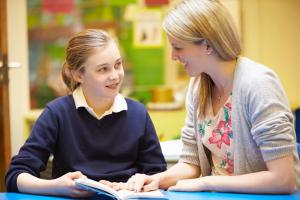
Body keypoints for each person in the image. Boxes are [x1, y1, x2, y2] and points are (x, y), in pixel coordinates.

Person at [113, 0, 300, 194]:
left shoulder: (258, 84)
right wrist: (155, 180)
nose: (173, 57)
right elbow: (191, 163)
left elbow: (284, 179)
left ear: (207, 45)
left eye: (178, 47)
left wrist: (206, 182)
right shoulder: (198, 87)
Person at [5, 29, 166, 198]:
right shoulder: (57, 113)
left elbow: (158, 175)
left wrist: (145, 180)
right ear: (78, 75)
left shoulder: (138, 113)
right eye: (103, 69)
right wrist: (55, 187)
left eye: (118, 65)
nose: (115, 76)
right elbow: (16, 176)